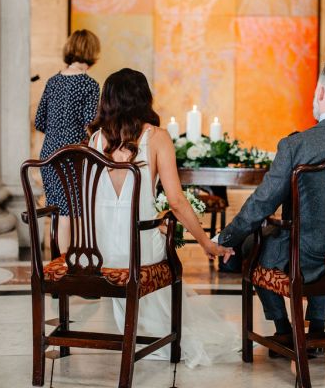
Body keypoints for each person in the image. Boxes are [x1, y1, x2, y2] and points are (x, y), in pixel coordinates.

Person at [217, 57, 325, 357]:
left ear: (321, 92)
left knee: (251, 247)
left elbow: (262, 203)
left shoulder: (297, 146)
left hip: (305, 259)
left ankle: (285, 331)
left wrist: (225, 239)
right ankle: (318, 329)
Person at [87, 68, 238, 368]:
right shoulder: (155, 137)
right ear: (143, 98)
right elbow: (177, 201)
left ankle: (147, 330)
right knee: (163, 240)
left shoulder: (94, 140)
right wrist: (206, 242)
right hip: (138, 252)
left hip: (99, 251)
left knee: (152, 231)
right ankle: (164, 334)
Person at [35, 29, 101, 254]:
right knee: (74, 213)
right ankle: (70, 268)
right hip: (74, 154)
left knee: (59, 211)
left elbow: (40, 121)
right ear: (92, 52)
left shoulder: (53, 81)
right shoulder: (89, 84)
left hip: (50, 153)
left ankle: (61, 264)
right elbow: (91, 123)